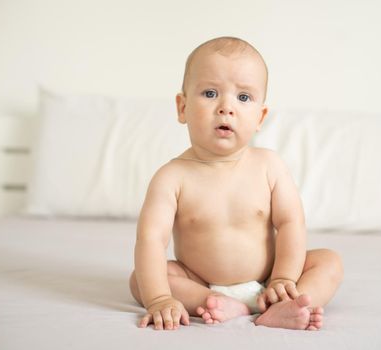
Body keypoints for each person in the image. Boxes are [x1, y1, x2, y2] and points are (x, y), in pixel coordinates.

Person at [129, 36, 343, 331]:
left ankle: (286, 304)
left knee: (329, 262)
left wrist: (283, 278)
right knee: (143, 279)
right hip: (200, 281)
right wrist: (158, 299)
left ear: (260, 117)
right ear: (182, 107)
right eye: (209, 93)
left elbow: (291, 223)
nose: (226, 107)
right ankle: (215, 302)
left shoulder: (270, 166)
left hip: (270, 279)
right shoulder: (171, 177)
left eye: (243, 97)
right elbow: (151, 240)